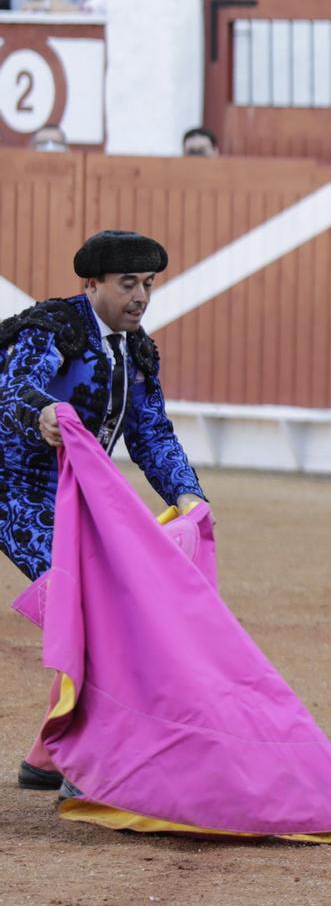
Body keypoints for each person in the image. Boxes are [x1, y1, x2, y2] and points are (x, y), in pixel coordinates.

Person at [1, 231, 208, 788]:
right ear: (92, 284)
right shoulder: (53, 330)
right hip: (16, 492)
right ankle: (84, 759)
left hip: (79, 496)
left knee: (102, 610)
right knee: (95, 611)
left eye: (148, 285)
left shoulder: (136, 347)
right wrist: (43, 413)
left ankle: (50, 755)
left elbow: (151, 433)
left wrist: (187, 494)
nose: (141, 296)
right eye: (128, 284)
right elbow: (14, 391)